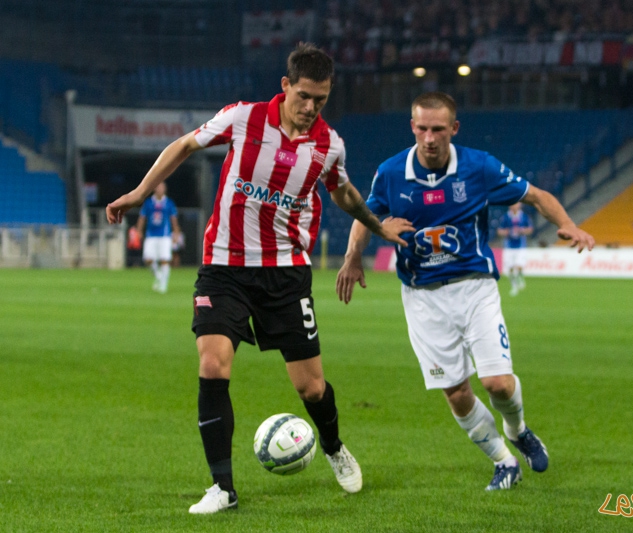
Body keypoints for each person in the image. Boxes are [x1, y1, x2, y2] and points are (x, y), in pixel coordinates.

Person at [106, 43, 414, 514]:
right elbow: (185, 145)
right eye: (304, 96)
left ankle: (333, 447)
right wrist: (141, 192)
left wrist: (376, 227)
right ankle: (222, 487)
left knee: (311, 387)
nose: (311, 107)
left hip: (285, 273)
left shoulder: (329, 145)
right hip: (224, 267)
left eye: (321, 100)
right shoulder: (243, 119)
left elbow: (343, 192)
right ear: (286, 86)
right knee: (213, 365)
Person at [335, 92, 595, 491]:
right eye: (423, 128)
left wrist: (569, 224)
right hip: (422, 297)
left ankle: (518, 429)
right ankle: (504, 462)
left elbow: (536, 196)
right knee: (456, 393)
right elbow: (365, 215)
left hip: (475, 288)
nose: (430, 138)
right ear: (412, 127)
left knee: (498, 384)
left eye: (439, 129)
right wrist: (353, 256)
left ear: (454, 128)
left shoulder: (478, 166)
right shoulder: (390, 172)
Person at [136, 182, 181, 293]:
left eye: (162, 187)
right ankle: (159, 275)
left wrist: (176, 232)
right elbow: (142, 217)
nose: (160, 189)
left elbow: (173, 219)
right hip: (151, 235)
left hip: (165, 235)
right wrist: (139, 230)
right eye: (158, 187)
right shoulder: (148, 203)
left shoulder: (169, 203)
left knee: (165, 259)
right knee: (148, 259)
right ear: (154, 189)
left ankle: (163, 286)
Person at [496, 202, 533, 296]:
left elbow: (530, 229)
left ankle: (520, 277)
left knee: (519, 266)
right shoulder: (505, 217)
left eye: (516, 204)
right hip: (509, 247)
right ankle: (514, 286)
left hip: (521, 246)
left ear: (520, 205)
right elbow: (499, 231)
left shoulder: (524, 216)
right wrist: (507, 232)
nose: (514, 206)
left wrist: (522, 231)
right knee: (511, 268)